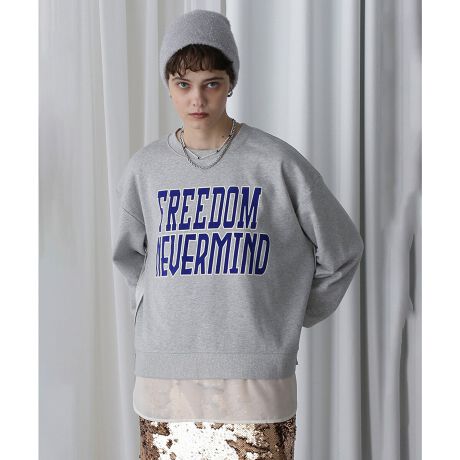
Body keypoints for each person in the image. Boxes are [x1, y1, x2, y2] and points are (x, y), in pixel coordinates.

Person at [112, 9, 364, 459]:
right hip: (165, 380)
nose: (197, 98)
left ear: (230, 82)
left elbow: (342, 250)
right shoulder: (144, 169)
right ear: (168, 84)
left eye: (211, 83)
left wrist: (288, 312)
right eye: (183, 84)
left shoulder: (276, 163)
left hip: (256, 383)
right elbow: (132, 258)